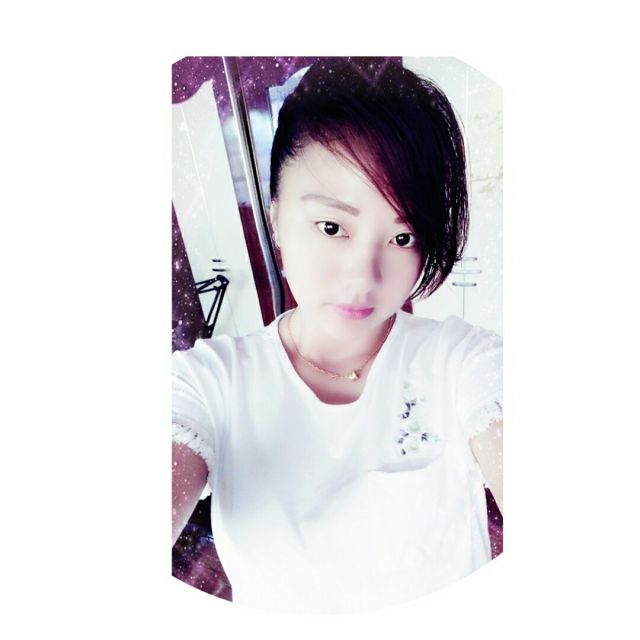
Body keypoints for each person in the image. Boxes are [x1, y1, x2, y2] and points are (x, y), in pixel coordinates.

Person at [172, 57, 503, 614]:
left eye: (403, 237)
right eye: (332, 227)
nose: (363, 276)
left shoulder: (461, 362)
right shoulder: (209, 384)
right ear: (276, 218)